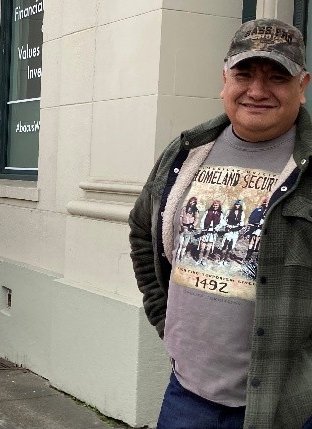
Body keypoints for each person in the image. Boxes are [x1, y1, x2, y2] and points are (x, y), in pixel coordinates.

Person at [128, 18, 312, 429]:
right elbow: (143, 231)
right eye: (244, 73)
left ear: (302, 86)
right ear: (224, 79)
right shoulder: (186, 152)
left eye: (277, 76)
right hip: (185, 394)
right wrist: (164, 317)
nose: (257, 90)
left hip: (288, 405)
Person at [196, 199, 224, 265]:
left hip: (212, 233)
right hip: (205, 231)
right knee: (202, 247)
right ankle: (200, 259)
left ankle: (204, 260)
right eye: (214, 205)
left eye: (216, 205)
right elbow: (202, 220)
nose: (215, 206)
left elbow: (222, 223)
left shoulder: (220, 214)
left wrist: (216, 228)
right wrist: (203, 228)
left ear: (219, 206)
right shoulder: (208, 211)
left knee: (208, 248)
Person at [220, 199, 245, 264]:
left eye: (238, 205)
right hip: (228, 228)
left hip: (235, 230)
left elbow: (241, 223)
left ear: (240, 206)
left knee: (231, 245)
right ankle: (221, 260)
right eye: (236, 204)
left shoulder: (241, 213)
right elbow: (224, 220)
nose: (237, 206)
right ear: (234, 205)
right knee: (225, 244)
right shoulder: (229, 211)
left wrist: (235, 229)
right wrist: (227, 226)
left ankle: (225, 260)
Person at [176, 196, 199, 261]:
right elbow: (180, 217)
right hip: (183, 227)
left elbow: (197, 219)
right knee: (180, 244)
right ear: (189, 202)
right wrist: (181, 225)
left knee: (185, 245)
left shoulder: (196, 210)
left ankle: (182, 256)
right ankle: (177, 256)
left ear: (195, 203)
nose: (192, 203)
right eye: (191, 201)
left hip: (189, 228)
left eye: (193, 202)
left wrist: (193, 225)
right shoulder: (184, 208)